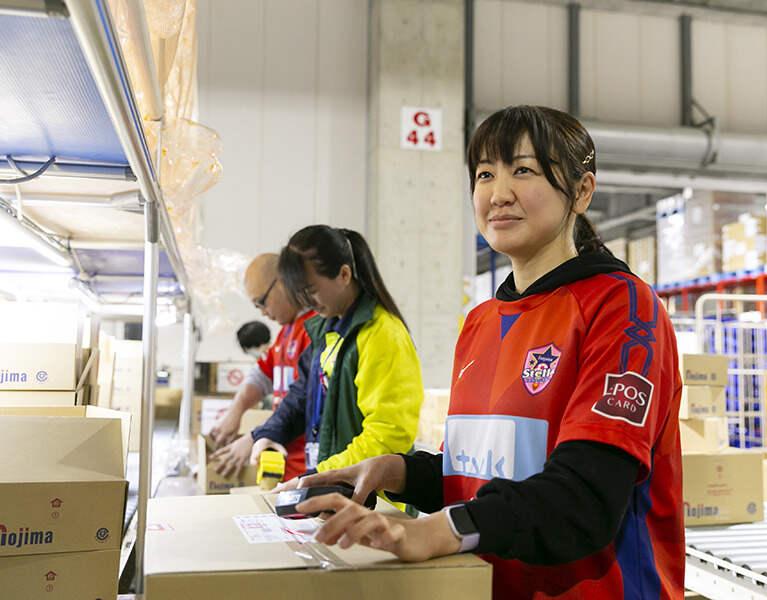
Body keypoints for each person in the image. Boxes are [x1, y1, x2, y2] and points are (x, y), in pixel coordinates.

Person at [293, 106, 684, 599]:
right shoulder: (482, 321)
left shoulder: (622, 308)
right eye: (484, 174)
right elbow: (483, 474)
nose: (499, 194)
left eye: (523, 170)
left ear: (582, 191)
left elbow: (583, 500)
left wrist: (435, 530)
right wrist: (399, 471)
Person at [218, 225, 424, 480]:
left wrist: (322, 476)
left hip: (375, 499)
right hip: (341, 491)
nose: (306, 302)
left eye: (311, 291)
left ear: (344, 275)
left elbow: (389, 434)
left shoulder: (382, 335)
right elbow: (302, 394)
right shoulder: (329, 331)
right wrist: (269, 433)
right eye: (299, 294)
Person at [210, 253, 312, 481]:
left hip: (306, 467)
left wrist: (255, 436)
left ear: (282, 282)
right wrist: (235, 411)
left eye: (262, 301)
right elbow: (262, 375)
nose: (262, 312)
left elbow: (304, 400)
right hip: (284, 461)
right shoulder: (286, 332)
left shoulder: (312, 331)